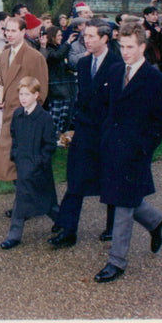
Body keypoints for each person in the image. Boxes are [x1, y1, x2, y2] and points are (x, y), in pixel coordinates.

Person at [94, 21, 162, 283]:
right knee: (123, 199)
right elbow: (108, 110)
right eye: (121, 46)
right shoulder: (116, 71)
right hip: (112, 148)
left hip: (135, 153)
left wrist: (142, 148)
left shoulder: (156, 80)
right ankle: (155, 221)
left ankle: (116, 261)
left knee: (123, 206)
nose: (125, 52)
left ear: (142, 47)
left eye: (130, 47)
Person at [49, 19, 121, 249]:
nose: (86, 40)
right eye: (85, 36)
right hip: (84, 132)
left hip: (107, 134)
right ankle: (68, 231)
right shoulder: (83, 63)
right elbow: (81, 99)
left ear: (105, 38)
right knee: (75, 181)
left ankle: (113, 227)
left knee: (110, 182)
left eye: (91, 36)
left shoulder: (117, 65)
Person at [0, 77, 59, 249]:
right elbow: (15, 136)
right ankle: (14, 235)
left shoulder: (44, 118)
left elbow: (49, 145)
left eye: (27, 94)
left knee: (48, 203)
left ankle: (64, 222)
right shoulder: (18, 115)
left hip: (39, 168)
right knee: (20, 201)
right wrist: (15, 154)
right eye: (21, 94)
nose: (23, 98)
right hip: (23, 164)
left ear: (36, 95)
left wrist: (40, 162)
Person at [0, 16, 49, 182]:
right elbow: (2, 82)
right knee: (11, 165)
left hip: (25, 119)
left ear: (23, 32)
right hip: (8, 116)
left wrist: (30, 113)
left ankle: (26, 206)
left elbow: (42, 90)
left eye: (13, 31)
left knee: (24, 166)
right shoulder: (4, 55)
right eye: (7, 30)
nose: (9, 34)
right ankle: (22, 205)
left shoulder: (35, 57)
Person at [39, 25, 76, 138]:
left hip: (63, 90)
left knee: (62, 116)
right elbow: (57, 57)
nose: (61, 37)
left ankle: (59, 137)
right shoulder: (49, 49)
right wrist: (68, 43)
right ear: (52, 36)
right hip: (55, 91)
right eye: (59, 35)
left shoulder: (58, 47)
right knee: (54, 116)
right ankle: (51, 137)